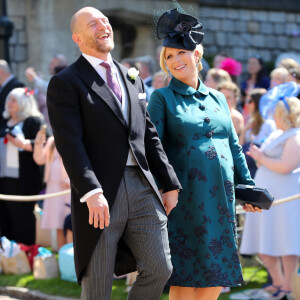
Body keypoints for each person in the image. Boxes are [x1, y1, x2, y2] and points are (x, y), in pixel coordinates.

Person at [46, 6, 182, 300]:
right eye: (93, 23)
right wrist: (91, 191)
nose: (103, 25)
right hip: (101, 192)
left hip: (143, 187)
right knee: (98, 284)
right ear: (77, 38)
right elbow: (69, 142)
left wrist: (169, 182)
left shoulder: (132, 77)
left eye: (104, 21)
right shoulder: (66, 82)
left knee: (160, 269)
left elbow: (148, 134)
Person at [147, 8, 260, 300]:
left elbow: (233, 146)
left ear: (197, 55)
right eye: (168, 56)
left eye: (180, 53)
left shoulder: (219, 97)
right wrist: (165, 187)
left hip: (221, 199)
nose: (174, 61)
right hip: (184, 199)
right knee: (184, 279)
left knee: (216, 273)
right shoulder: (162, 97)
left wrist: (246, 188)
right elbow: (152, 146)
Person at [240, 97, 300, 299]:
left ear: (285, 114)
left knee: (286, 242)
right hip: (266, 197)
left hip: (285, 197)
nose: (272, 114)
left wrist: (261, 157)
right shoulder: (277, 133)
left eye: (276, 111)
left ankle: (288, 286)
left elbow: (286, 166)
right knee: (265, 242)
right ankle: (277, 282)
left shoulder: (295, 136)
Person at [0, 87, 45, 245]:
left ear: (23, 103)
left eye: (14, 100)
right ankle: (8, 254)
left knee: (23, 218)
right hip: (3, 179)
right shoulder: (3, 121)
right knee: (4, 218)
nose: (9, 103)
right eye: (9, 100)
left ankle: (27, 253)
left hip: (23, 181)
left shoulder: (33, 121)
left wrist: (24, 144)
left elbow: (47, 145)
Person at [33, 129, 70, 251]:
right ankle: (63, 260)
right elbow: (39, 159)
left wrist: (70, 181)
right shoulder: (51, 141)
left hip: (68, 190)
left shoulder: (73, 137)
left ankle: (73, 260)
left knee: (71, 225)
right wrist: (38, 144)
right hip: (53, 190)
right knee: (58, 225)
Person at [239, 88, 276, 178]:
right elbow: (240, 145)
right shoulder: (250, 121)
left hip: (259, 170)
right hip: (247, 169)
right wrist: (244, 130)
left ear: (258, 102)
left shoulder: (269, 123)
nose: (246, 104)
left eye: (249, 101)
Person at [25, 54, 67, 127]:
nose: (49, 66)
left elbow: (51, 89)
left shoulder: (64, 77)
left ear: (59, 65)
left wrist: (35, 79)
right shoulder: (57, 76)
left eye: (52, 63)